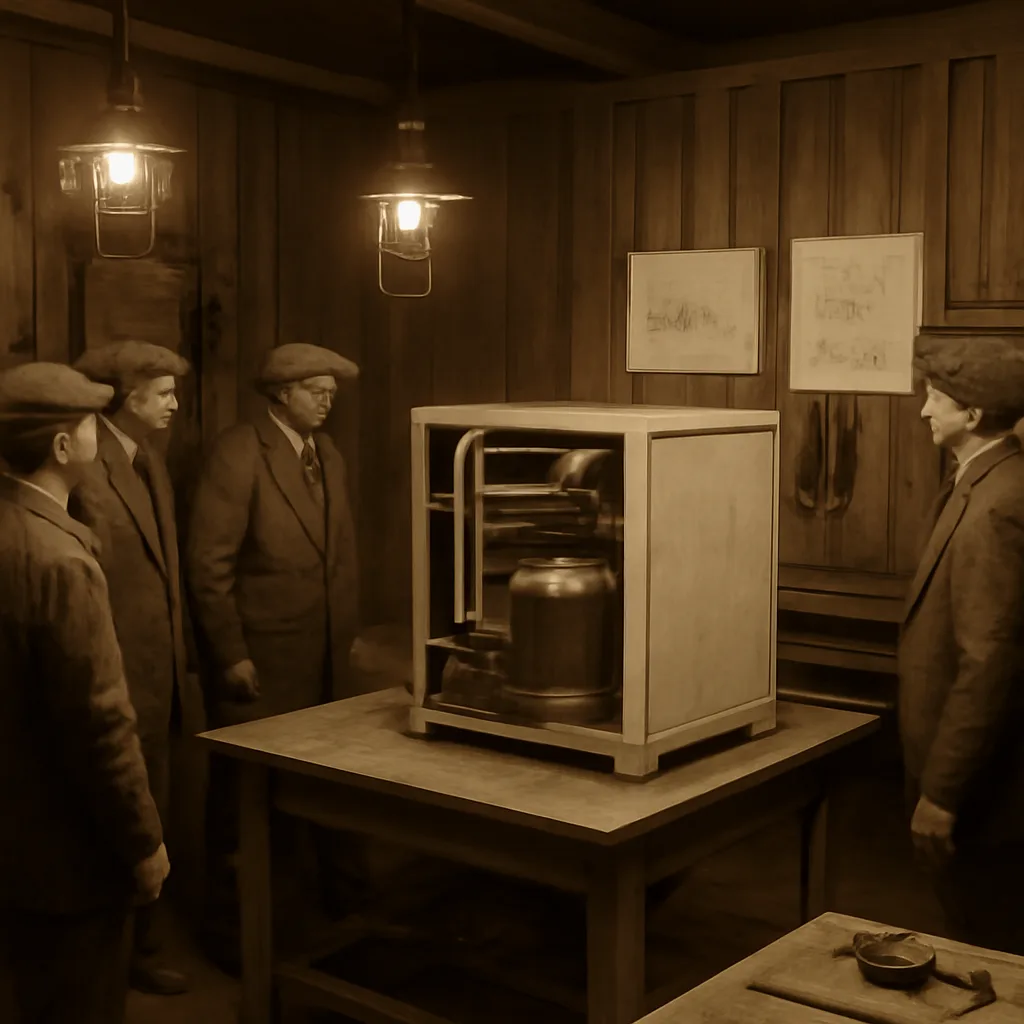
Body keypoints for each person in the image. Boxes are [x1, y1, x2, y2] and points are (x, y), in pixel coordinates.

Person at [0, 362, 170, 1024]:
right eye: (89, 424)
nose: (101, 434)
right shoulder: (62, 560)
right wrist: (143, 842)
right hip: (70, 859)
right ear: (63, 448)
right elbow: (99, 724)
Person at [187, 342, 360, 970]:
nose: (327, 400)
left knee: (323, 791)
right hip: (262, 663)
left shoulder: (328, 455)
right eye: (316, 389)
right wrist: (231, 653)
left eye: (332, 392)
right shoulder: (239, 453)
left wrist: (347, 640)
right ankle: (230, 936)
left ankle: (331, 920)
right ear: (280, 393)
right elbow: (209, 568)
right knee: (242, 804)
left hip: (325, 661)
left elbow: (337, 559)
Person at [69, 340, 196, 996]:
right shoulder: (87, 474)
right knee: (120, 812)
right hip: (116, 672)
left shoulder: (150, 460)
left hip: (159, 674)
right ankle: (120, 953)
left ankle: (143, 943)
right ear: (126, 397)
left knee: (155, 807)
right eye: (164, 391)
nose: (175, 402)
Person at [899, 331, 1024, 955]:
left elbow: (988, 661)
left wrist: (942, 792)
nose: (925, 410)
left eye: (935, 398)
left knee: (990, 944)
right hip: (972, 787)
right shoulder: (982, 481)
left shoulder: (999, 505)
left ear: (973, 415)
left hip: (983, 797)